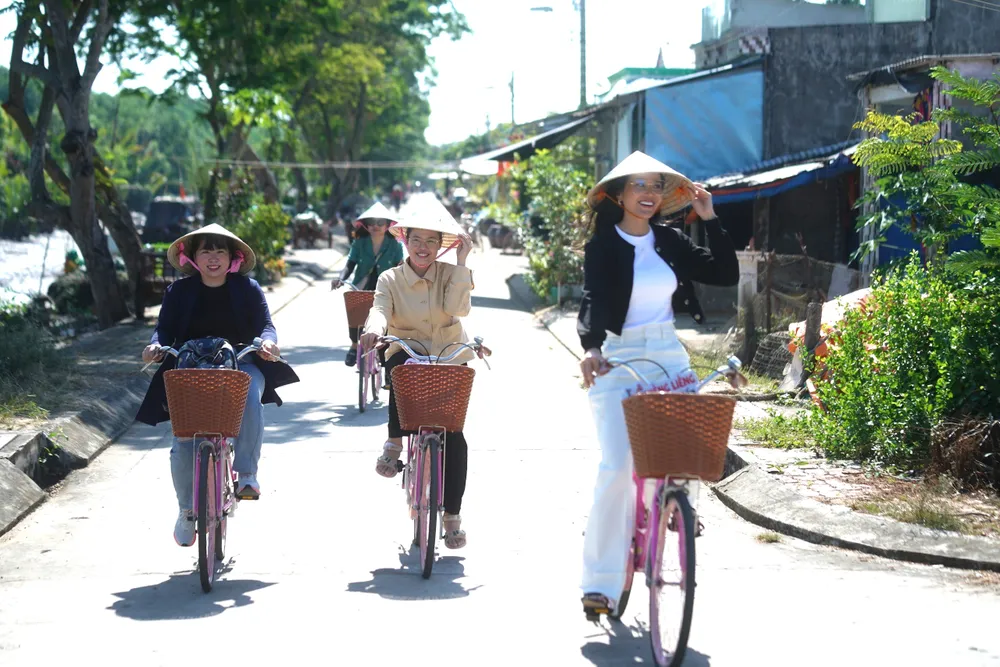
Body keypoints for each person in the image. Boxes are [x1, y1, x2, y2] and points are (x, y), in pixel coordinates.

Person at [575, 151, 739, 617]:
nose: (649, 194)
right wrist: (591, 348)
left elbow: (724, 274)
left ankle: (677, 505)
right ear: (619, 196)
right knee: (617, 466)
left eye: (655, 187)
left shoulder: (669, 239)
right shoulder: (604, 245)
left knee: (687, 447)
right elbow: (593, 297)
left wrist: (709, 218)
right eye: (638, 186)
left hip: (668, 353)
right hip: (619, 355)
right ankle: (602, 585)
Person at [136, 224, 299, 547]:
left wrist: (268, 342)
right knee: (184, 441)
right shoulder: (178, 292)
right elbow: (164, 330)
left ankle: (247, 474)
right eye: (206, 251)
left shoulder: (248, 288)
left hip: (241, 362)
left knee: (250, 392)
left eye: (220, 251)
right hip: (190, 367)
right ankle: (186, 511)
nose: (213, 258)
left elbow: (266, 325)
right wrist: (155, 347)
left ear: (232, 257)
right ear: (193, 258)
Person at [359, 203, 476, 549]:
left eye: (431, 241)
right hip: (407, 351)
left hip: (449, 354)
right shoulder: (390, 278)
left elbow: (459, 310)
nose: (423, 247)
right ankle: (394, 443)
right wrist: (372, 331)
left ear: (442, 245)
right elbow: (379, 311)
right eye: (416, 240)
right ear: (405, 241)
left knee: (455, 435)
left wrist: (461, 264)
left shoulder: (448, 272)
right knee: (399, 371)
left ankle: (452, 515)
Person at [330, 202, 404, 366]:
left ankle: (387, 367)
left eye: (380, 223)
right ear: (366, 225)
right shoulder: (360, 242)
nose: (375, 226)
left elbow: (401, 266)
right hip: (362, 286)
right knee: (354, 311)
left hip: (387, 288)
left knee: (389, 322)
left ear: (387, 225)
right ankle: (354, 346)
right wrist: (340, 278)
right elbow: (350, 263)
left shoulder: (395, 244)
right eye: (371, 223)